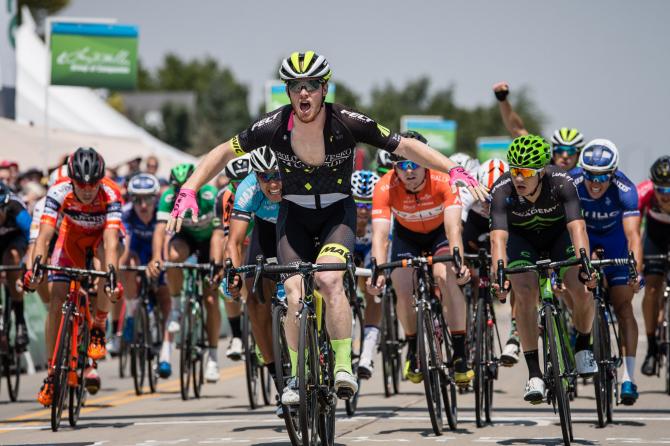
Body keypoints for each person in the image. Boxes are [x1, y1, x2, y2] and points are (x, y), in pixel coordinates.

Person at [166, 50, 485, 405]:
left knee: (330, 280)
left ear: (324, 88)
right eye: (297, 86)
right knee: (293, 293)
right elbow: (225, 151)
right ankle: (297, 377)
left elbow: (404, 144)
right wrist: (189, 188)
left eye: (312, 86)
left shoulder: (347, 122)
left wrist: (450, 169)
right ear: (289, 92)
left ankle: (344, 366)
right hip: (294, 217)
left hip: (336, 214)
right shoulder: (274, 125)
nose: (304, 94)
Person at [490, 135, 597, 404]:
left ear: (541, 171)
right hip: (522, 240)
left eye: (525, 172)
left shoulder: (561, 181)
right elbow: (498, 239)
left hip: (558, 237)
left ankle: (583, 344)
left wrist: (585, 265)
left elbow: (577, 228)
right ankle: (535, 373)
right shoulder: (502, 189)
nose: (518, 178)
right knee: (524, 294)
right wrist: (499, 274)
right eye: (514, 170)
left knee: (581, 288)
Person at [367, 130, 472, 386]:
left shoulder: (443, 179)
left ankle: (459, 353)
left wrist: (459, 261)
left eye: (415, 164)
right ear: (395, 167)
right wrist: (377, 270)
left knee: (444, 276)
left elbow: (453, 229)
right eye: (402, 165)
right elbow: (380, 237)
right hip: (407, 237)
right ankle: (413, 347)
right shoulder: (385, 186)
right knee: (401, 285)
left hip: (440, 236)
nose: (410, 171)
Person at [25, 147, 124, 406]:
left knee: (105, 263)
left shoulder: (111, 193)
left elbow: (112, 242)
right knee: (56, 301)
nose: (88, 189)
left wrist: (111, 278)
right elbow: (44, 236)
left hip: (101, 238)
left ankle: (99, 326)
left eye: (93, 183)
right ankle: (51, 372)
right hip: (72, 239)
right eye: (82, 184)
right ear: (72, 180)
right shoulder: (58, 191)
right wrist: (36, 267)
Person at [570, 139, 643, 405]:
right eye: (589, 174)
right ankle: (582, 336)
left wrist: (635, 270)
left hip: (615, 243)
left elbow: (634, 235)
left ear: (613, 173)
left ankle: (628, 377)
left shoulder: (625, 189)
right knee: (583, 289)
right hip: (585, 239)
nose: (595, 181)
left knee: (623, 306)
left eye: (602, 176)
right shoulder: (573, 183)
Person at [148, 163, 223, 383]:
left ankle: (212, 358)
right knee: (172, 258)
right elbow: (161, 230)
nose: (182, 190)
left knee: (210, 299)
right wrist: (156, 258)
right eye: (177, 187)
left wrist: (217, 263)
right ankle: (177, 307)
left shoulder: (210, 195)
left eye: (186, 186)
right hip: (187, 239)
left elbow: (220, 232)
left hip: (210, 241)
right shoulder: (169, 198)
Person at [223, 147, 282, 392]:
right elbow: (234, 241)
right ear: (256, 176)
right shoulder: (248, 188)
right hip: (266, 230)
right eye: (265, 176)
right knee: (255, 302)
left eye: (277, 174)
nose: (273, 183)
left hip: (298, 225)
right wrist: (234, 274)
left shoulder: (298, 177)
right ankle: (276, 377)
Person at [108, 174, 170, 360]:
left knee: (164, 292)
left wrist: (162, 264)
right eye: (137, 199)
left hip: (157, 252)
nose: (143, 205)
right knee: (128, 267)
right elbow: (125, 246)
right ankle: (132, 313)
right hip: (137, 251)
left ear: (156, 198)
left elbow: (167, 242)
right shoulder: (126, 213)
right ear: (131, 199)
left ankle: (166, 341)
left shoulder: (162, 212)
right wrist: (118, 268)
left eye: (148, 199)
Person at [492, 82, 585, 171]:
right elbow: (517, 129)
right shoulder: (544, 164)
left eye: (571, 151)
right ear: (554, 152)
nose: (565, 155)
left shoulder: (585, 174)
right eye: (560, 150)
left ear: (578, 154)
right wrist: (502, 100)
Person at [216, 154, 253, 361]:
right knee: (229, 273)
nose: (240, 187)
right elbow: (228, 239)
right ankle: (236, 335)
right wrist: (229, 271)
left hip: (258, 233)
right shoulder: (227, 196)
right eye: (235, 182)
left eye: (244, 181)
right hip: (240, 236)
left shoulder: (261, 187)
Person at [638, 156, 670, 378]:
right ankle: (651, 347)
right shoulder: (644, 192)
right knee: (651, 289)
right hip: (655, 235)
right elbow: (629, 226)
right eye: (660, 189)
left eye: (669, 190)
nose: (664, 195)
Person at [350, 170, 381, 379]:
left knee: (374, 288)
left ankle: (367, 352)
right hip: (349, 245)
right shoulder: (344, 212)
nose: (362, 211)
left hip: (372, 247)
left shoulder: (381, 216)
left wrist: (376, 273)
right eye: (358, 204)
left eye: (368, 205)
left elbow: (382, 244)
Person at [0, 181, 31, 351]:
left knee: (11, 259)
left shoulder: (15, 207)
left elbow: (33, 236)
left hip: (16, 240)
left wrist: (25, 262)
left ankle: (20, 323)